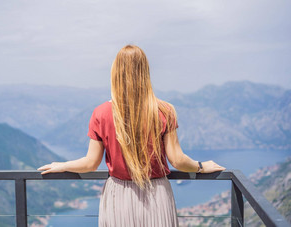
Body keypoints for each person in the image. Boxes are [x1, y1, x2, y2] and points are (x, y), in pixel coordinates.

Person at [37, 44, 226, 226]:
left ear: (116, 73)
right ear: (144, 73)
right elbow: (177, 160)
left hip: (118, 196)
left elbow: (90, 163)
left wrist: (61, 165)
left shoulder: (101, 113)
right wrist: (201, 166)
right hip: (157, 194)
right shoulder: (164, 111)